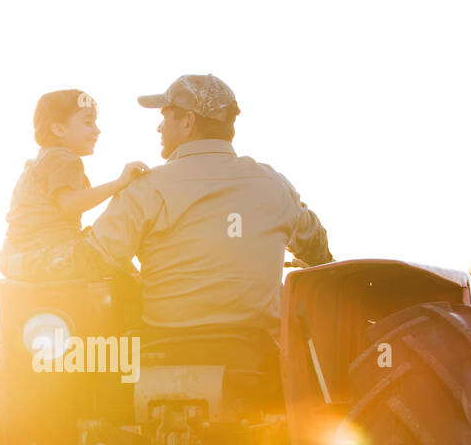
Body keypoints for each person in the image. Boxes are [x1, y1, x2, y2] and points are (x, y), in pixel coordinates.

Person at [80, 74, 332, 345]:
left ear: (188, 122)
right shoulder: (274, 185)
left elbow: (92, 260)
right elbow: (317, 248)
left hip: (165, 351)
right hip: (260, 356)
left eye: (165, 117)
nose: (159, 128)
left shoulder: (146, 188)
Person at [0, 89, 149, 282]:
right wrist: (120, 183)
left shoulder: (44, 159)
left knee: (109, 257)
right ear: (59, 129)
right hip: (45, 254)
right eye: (87, 122)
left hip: (21, 254)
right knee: (116, 262)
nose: (97, 130)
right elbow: (70, 203)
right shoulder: (63, 158)